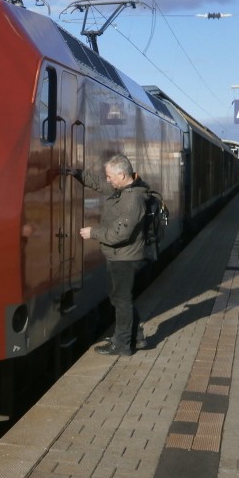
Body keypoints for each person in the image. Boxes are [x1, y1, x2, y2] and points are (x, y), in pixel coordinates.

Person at [72, 153, 151, 357]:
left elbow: (120, 234)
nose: (107, 180)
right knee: (119, 297)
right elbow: (100, 184)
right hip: (119, 255)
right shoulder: (123, 189)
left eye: (110, 176)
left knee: (121, 300)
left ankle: (122, 344)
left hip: (125, 257)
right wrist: (79, 174)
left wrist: (93, 233)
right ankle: (137, 337)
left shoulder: (132, 200)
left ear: (122, 175)